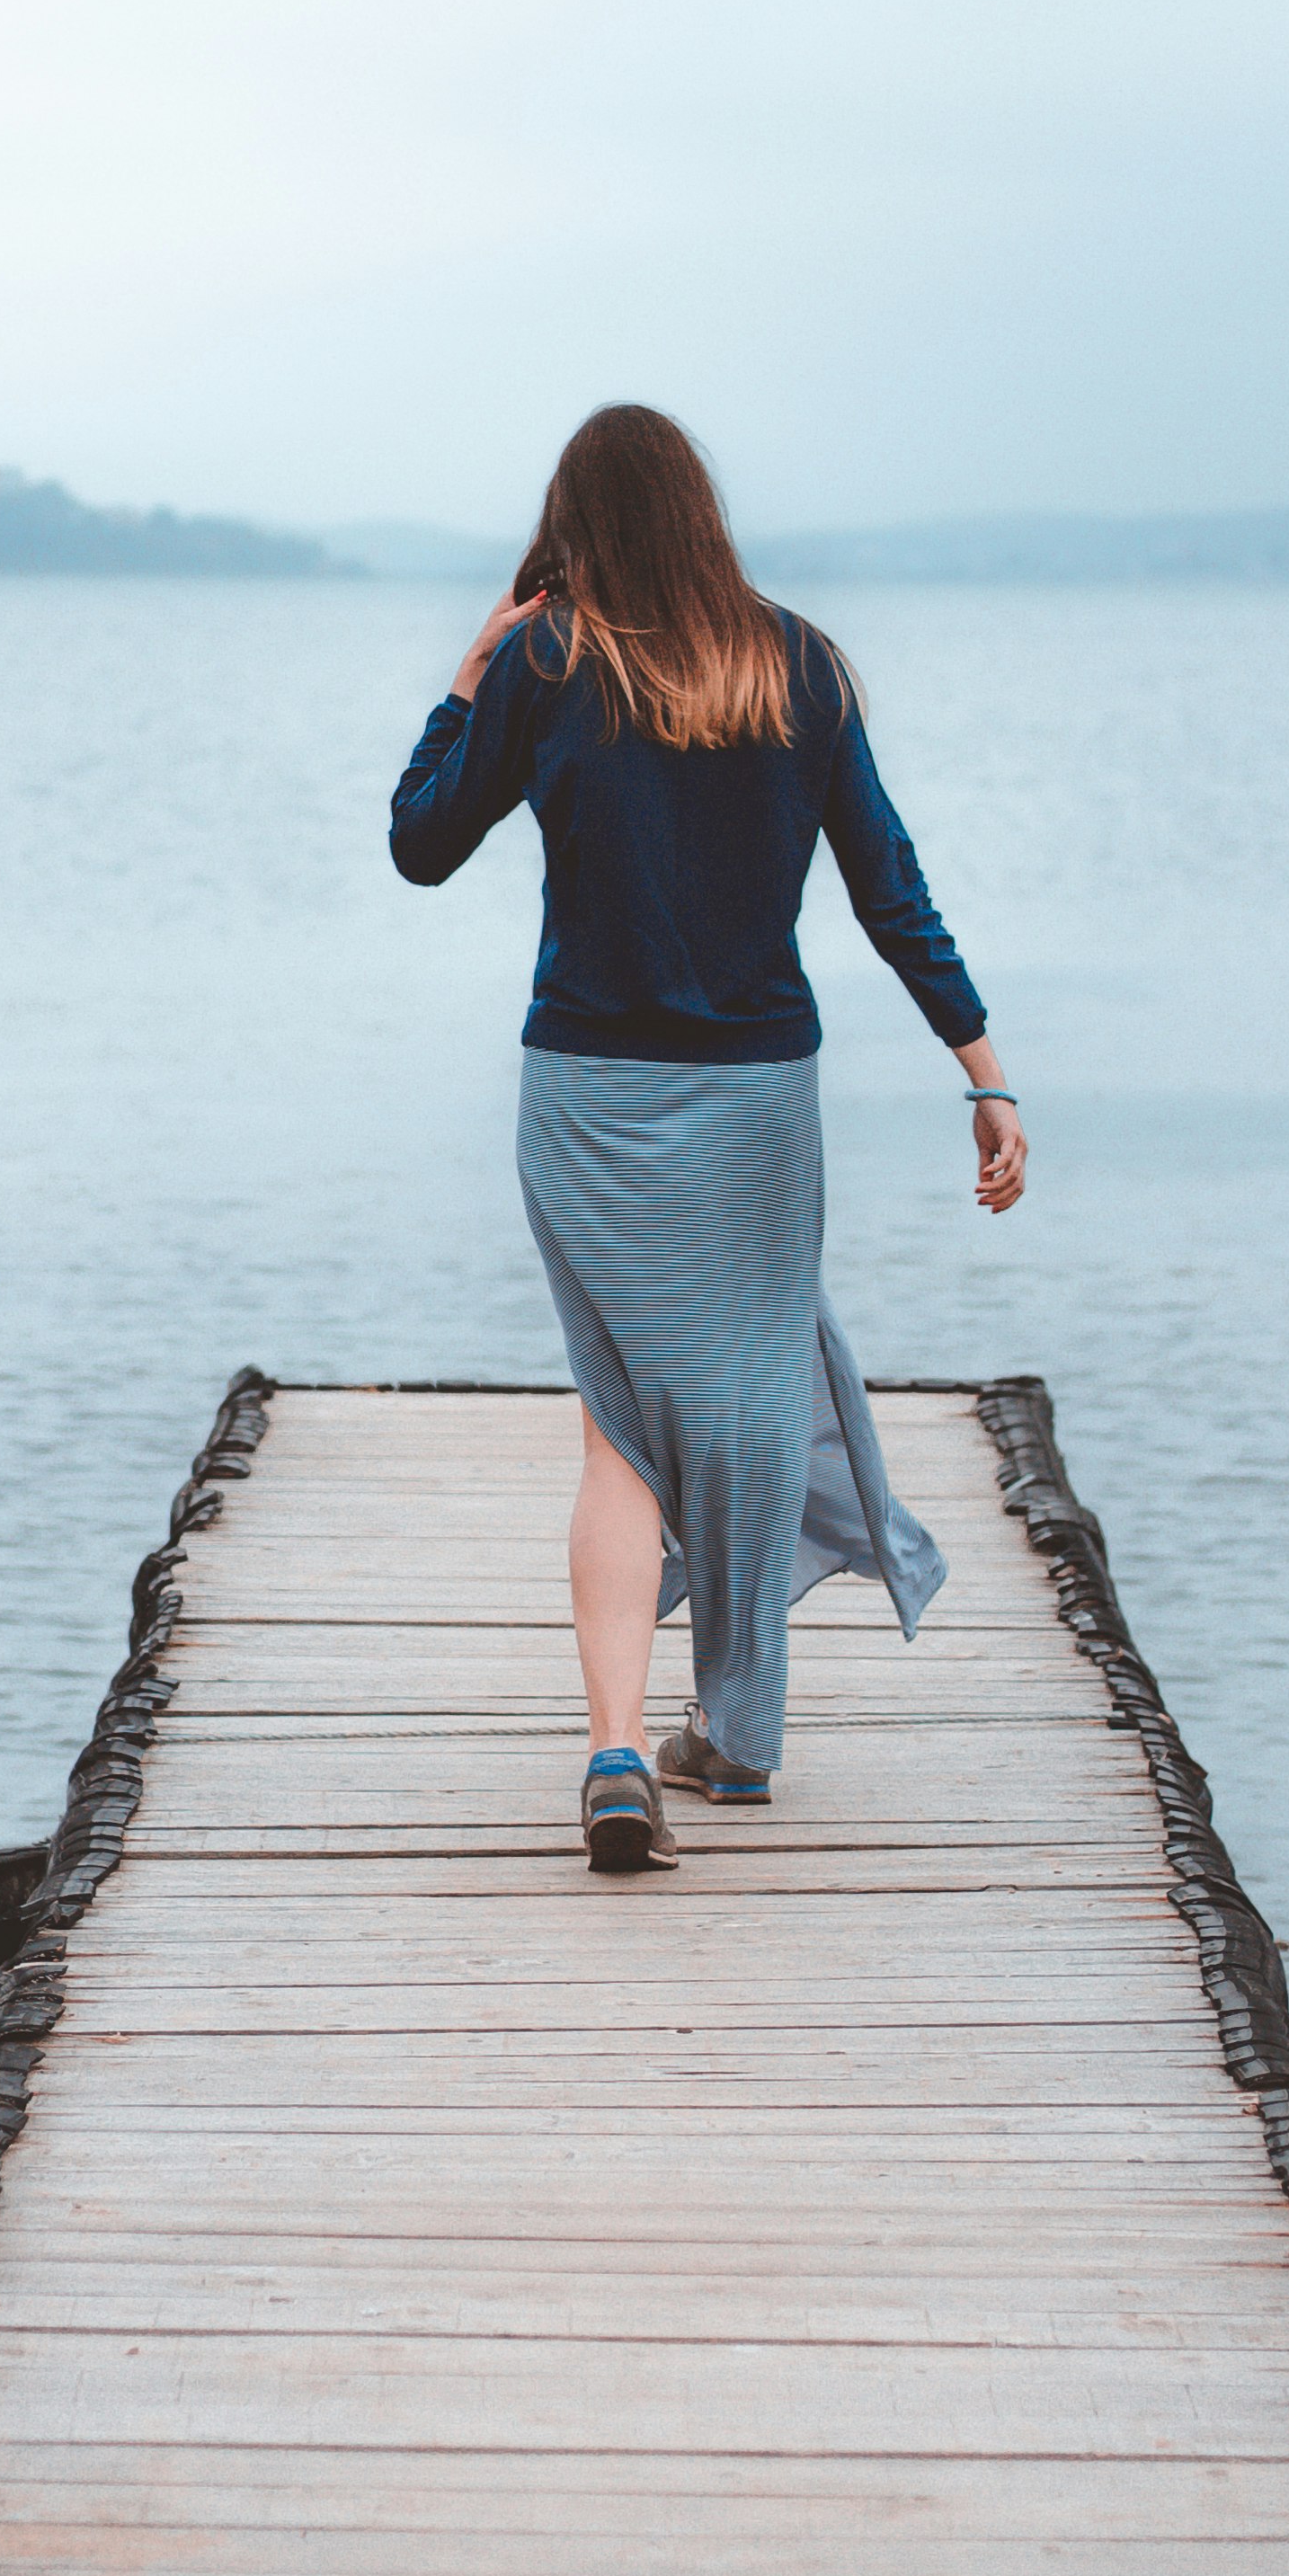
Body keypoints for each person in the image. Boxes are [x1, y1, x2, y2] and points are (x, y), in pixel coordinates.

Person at [388, 403, 1027, 1874]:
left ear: (573, 527)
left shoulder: (546, 665)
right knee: (739, 1399)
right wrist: (981, 1071)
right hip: (756, 1102)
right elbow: (889, 888)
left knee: (623, 1417)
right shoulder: (795, 662)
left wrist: (469, 671)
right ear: (700, 513)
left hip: (587, 1095)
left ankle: (619, 1745)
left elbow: (421, 841)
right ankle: (734, 1731)